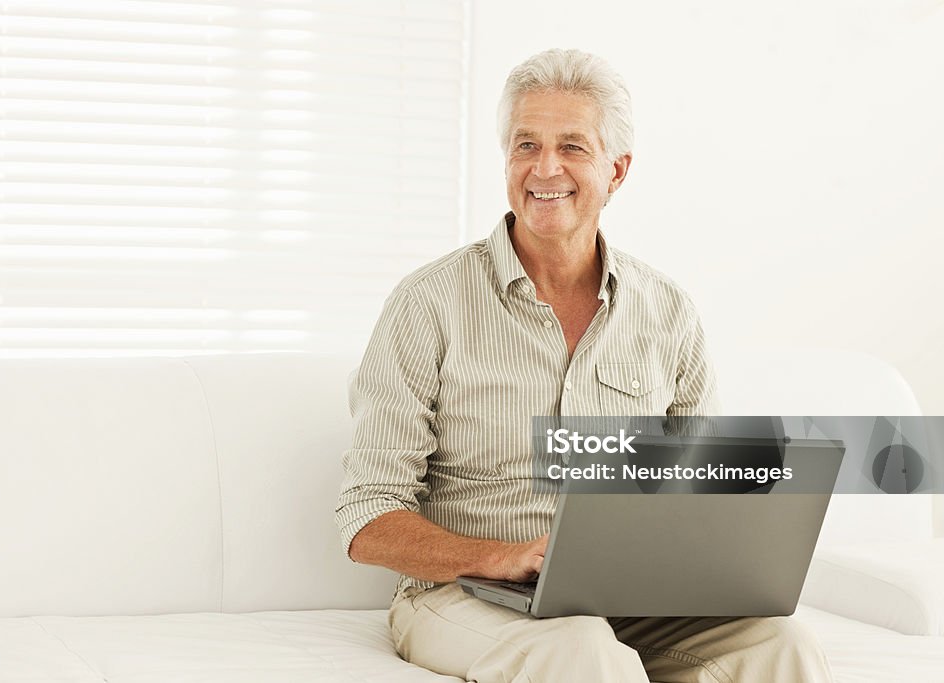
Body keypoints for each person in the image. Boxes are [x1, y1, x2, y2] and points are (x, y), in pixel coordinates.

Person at [335, 48, 833, 682]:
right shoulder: (427, 302)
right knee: (578, 650)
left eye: (572, 146)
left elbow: (696, 499)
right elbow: (365, 517)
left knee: (783, 641)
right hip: (465, 594)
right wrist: (497, 557)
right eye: (525, 146)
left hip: (627, 601)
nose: (545, 168)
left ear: (616, 170)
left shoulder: (668, 312)